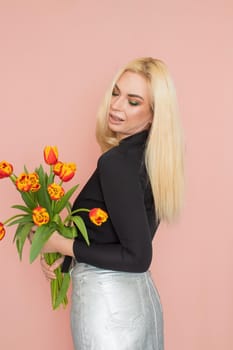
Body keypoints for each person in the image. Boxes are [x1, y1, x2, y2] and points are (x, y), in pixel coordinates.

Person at [39, 57, 184, 350]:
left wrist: (59, 244)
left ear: (154, 114)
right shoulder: (148, 158)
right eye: (116, 93)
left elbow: (137, 256)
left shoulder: (116, 163)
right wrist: (65, 259)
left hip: (109, 309)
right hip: (136, 304)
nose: (116, 106)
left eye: (133, 101)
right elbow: (115, 235)